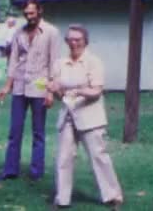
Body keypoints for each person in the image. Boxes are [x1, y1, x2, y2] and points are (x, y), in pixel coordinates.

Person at [46, 24, 123, 209]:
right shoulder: (60, 63)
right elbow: (58, 93)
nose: (74, 43)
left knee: (99, 156)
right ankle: (62, 199)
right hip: (67, 115)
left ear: (85, 41)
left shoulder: (93, 62)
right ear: (66, 42)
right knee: (63, 158)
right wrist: (54, 91)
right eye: (70, 39)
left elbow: (96, 91)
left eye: (78, 39)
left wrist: (75, 90)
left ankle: (113, 196)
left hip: (90, 116)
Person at [0, 0, 61, 181]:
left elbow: (54, 63)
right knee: (14, 131)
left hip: (40, 86)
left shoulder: (51, 32)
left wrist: (50, 92)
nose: (29, 17)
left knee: (38, 132)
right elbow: (13, 61)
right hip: (20, 87)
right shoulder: (19, 33)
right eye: (26, 14)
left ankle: (36, 172)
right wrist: (7, 86)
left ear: (40, 11)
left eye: (32, 13)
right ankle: (10, 170)